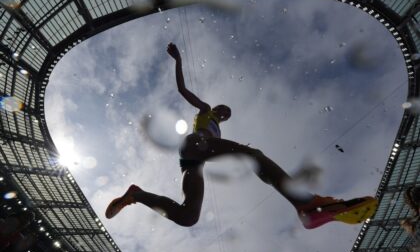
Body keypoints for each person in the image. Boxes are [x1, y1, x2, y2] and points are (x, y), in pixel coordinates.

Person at [105, 43, 378, 229]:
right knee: (254, 156)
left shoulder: (217, 128)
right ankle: (306, 203)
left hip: (194, 160)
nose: (224, 114)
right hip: (196, 143)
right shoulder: (205, 109)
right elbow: (181, 89)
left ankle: (136, 195)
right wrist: (179, 60)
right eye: (224, 110)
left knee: (189, 217)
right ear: (218, 107)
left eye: (226, 115)